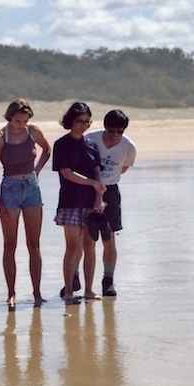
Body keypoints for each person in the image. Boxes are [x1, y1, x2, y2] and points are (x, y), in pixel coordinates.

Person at [0, 98, 51, 308]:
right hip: (9, 189)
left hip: (31, 188)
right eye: (17, 121)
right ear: (10, 118)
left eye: (25, 121)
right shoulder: (0, 137)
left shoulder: (33, 132)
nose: (21, 125)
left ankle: (37, 292)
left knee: (34, 244)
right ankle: (11, 292)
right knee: (10, 245)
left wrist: (37, 171)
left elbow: (47, 150)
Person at [52, 102, 106, 302]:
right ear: (70, 121)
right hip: (70, 201)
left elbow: (97, 172)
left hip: (90, 202)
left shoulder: (91, 145)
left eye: (86, 121)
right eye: (79, 121)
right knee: (73, 247)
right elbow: (66, 173)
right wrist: (92, 183)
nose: (83, 125)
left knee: (90, 246)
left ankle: (89, 290)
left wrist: (99, 197)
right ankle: (68, 290)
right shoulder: (62, 144)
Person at [85, 110, 137, 296]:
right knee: (87, 240)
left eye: (119, 131)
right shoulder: (90, 139)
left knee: (109, 239)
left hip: (111, 191)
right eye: (111, 130)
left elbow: (123, 169)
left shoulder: (128, 147)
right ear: (105, 127)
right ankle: (76, 277)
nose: (115, 135)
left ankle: (108, 280)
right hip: (88, 189)